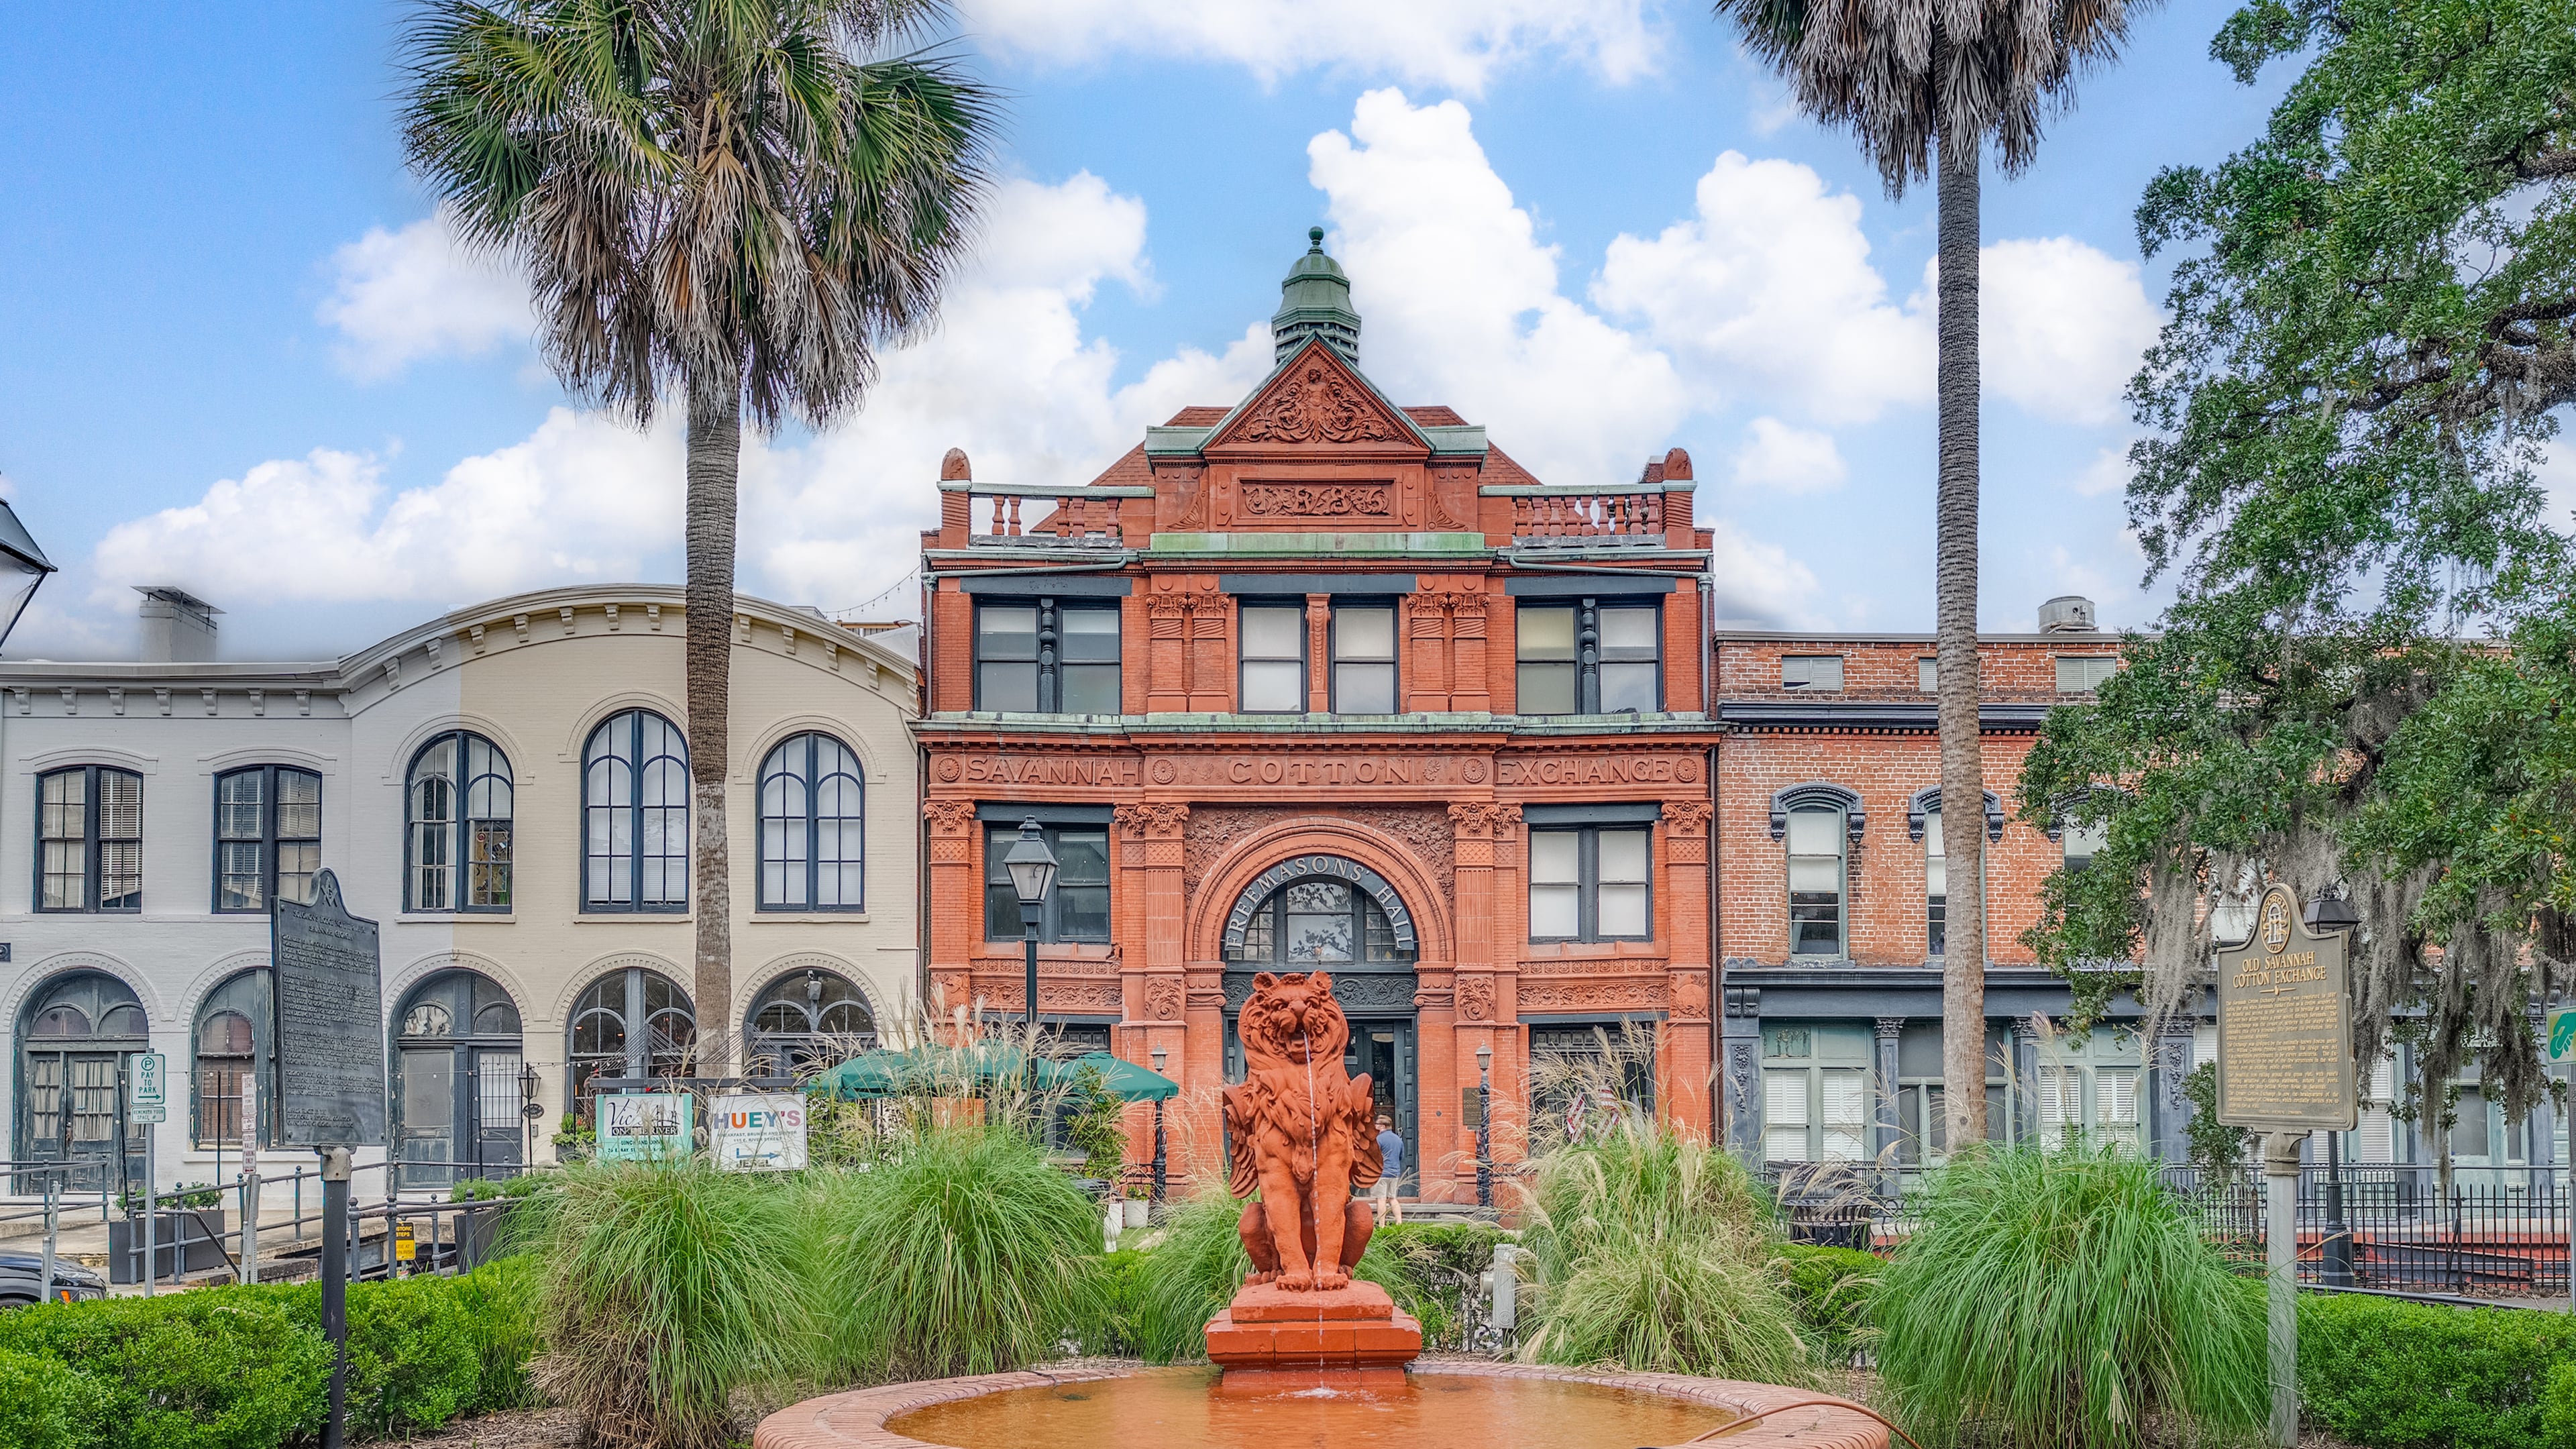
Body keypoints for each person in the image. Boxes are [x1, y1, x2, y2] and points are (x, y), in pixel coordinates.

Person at [1371, 1113, 1404, 1225]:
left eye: (1376, 1124)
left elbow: (1374, 1156)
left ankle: (1382, 1225)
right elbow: (1401, 1156)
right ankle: (1399, 1222)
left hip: (1382, 1173)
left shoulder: (1378, 1139)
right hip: (1395, 1173)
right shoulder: (1398, 1140)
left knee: (1381, 1199)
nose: (1374, 1126)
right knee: (1392, 1198)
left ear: (1382, 1126)